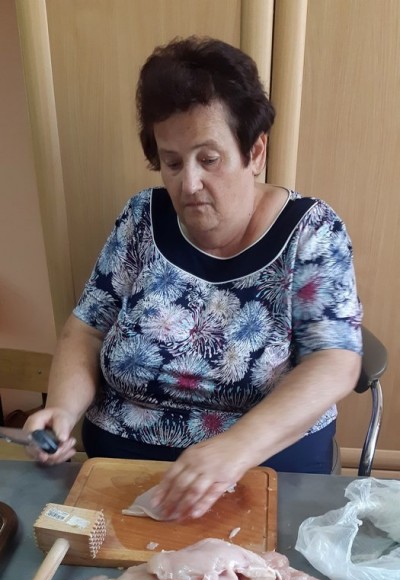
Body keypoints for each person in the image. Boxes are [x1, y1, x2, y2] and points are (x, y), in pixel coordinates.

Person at [24, 36, 362, 520]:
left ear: (255, 152)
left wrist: (234, 449)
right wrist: (62, 409)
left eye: (209, 159)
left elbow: (335, 361)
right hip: (121, 465)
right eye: (172, 162)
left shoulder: (312, 231)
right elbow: (87, 329)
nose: (189, 183)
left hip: (265, 469)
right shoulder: (141, 219)